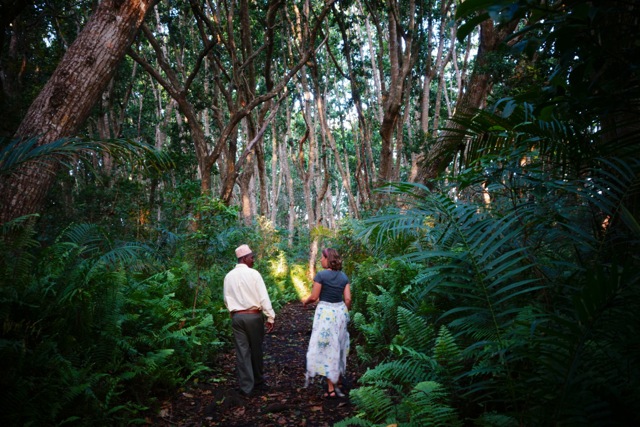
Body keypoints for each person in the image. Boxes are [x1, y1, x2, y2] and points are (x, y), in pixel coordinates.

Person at [223, 244, 275, 396]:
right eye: (252, 257)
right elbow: (263, 297)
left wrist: (233, 313)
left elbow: (227, 299)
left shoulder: (228, 276)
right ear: (244, 258)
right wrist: (270, 316)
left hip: (237, 318)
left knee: (242, 352)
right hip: (253, 316)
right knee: (256, 349)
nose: (253, 260)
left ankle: (247, 388)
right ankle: (258, 382)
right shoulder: (254, 274)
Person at [303, 248, 351, 398]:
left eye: (322, 258)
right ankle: (339, 379)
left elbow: (314, 296)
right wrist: (343, 312)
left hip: (325, 314)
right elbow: (348, 299)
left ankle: (331, 388)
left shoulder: (321, 275)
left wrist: (306, 301)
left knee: (327, 347)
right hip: (340, 312)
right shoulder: (343, 277)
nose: (320, 261)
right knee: (339, 345)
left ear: (328, 259)